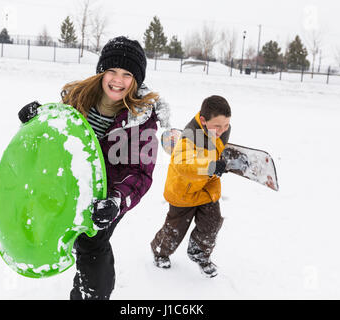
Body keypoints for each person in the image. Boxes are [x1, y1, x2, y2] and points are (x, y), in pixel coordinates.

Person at [18, 36, 170, 299]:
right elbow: (54, 134)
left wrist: (116, 200)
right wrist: (34, 119)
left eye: (126, 74)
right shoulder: (79, 99)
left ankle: (91, 295)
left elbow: (140, 173)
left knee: (93, 242)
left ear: (136, 80)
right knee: (75, 236)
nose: (117, 80)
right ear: (101, 72)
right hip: (71, 185)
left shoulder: (141, 120)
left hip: (107, 197)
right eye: (111, 70)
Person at [150, 95, 231, 278]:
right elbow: (183, 164)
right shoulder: (188, 137)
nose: (222, 130)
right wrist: (211, 166)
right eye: (217, 126)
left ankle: (199, 252)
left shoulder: (223, 132)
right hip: (183, 191)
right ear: (203, 120)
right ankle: (160, 250)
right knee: (175, 230)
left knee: (212, 222)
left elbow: (216, 148)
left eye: (225, 125)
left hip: (206, 187)